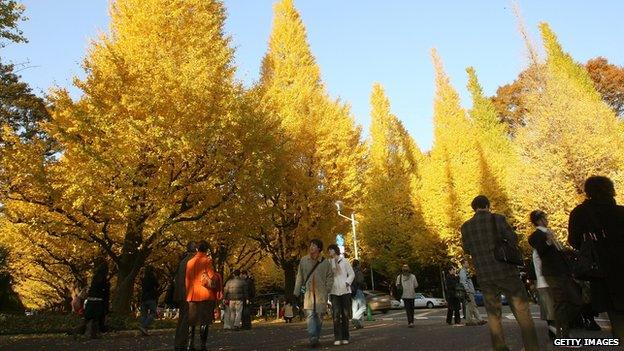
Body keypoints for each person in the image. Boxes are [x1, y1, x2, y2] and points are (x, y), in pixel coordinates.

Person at [461, 195, 539, 351]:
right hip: (506, 272)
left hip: (485, 275)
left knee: (493, 316)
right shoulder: (498, 219)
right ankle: (532, 347)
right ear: (487, 205)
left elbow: (467, 249)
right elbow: (512, 239)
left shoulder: (466, 227)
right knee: (522, 312)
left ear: (474, 208)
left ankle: (500, 348)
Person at [568, 176, 624, 339]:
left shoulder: (580, 213)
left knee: (615, 315)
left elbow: (574, 241)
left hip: (601, 270)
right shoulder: (621, 212)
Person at [528, 210, 582, 339]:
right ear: (539, 220)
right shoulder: (536, 235)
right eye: (544, 218)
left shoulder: (549, 232)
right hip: (553, 273)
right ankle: (562, 333)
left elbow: (559, 252)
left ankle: (561, 329)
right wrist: (548, 242)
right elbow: (540, 249)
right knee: (562, 302)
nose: (547, 220)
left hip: (562, 272)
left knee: (574, 300)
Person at [293, 239, 333, 348]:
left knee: (319, 316)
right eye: (310, 245)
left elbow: (330, 276)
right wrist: (296, 293)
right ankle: (313, 338)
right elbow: (299, 276)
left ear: (319, 248)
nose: (311, 247)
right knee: (310, 315)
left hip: (321, 294)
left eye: (314, 246)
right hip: (308, 293)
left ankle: (316, 337)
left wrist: (327, 289)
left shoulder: (325, 262)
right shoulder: (304, 260)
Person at [185, 240, 221, 351]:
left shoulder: (189, 262)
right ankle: (203, 345)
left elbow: (187, 280)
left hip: (192, 295)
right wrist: (217, 276)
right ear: (207, 250)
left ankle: (190, 344)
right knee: (204, 321)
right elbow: (211, 276)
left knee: (192, 321)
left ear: (196, 249)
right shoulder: (207, 261)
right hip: (205, 295)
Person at [327, 244, 354, 346]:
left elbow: (351, 274)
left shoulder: (345, 261)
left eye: (330, 250)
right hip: (334, 292)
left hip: (345, 291)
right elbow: (328, 276)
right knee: (336, 315)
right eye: (329, 250)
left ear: (335, 250)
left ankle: (345, 337)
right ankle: (337, 337)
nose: (329, 252)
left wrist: (347, 282)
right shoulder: (329, 263)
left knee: (345, 314)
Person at [173, 241, 196, 351]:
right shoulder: (192, 261)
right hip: (189, 293)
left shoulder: (182, 261)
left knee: (182, 318)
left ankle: (179, 342)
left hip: (181, 293)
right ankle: (184, 343)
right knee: (188, 319)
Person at [83, 262, 110, 339]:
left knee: (89, 318)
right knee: (98, 318)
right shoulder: (104, 281)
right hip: (98, 301)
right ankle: (96, 333)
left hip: (90, 300)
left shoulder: (94, 279)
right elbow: (105, 294)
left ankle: (88, 332)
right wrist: (106, 306)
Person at [459, 260, 485, 326]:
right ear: (463, 264)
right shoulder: (462, 272)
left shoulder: (465, 271)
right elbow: (463, 282)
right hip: (469, 292)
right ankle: (477, 320)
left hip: (470, 291)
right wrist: (467, 291)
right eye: (466, 263)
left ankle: (473, 320)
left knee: (470, 306)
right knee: (472, 306)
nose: (468, 264)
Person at [138, 265, 159, 336]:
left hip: (143, 298)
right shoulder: (153, 278)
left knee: (143, 315)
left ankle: (144, 330)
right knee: (153, 313)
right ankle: (144, 326)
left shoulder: (143, 279)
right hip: (151, 298)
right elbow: (157, 285)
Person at [350, 259, 366, 329]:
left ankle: (358, 324)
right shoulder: (358, 272)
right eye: (359, 264)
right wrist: (363, 284)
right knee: (363, 307)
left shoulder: (350, 271)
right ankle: (355, 318)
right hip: (358, 290)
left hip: (352, 291)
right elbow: (360, 281)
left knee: (355, 308)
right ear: (357, 265)